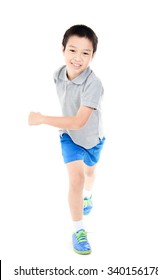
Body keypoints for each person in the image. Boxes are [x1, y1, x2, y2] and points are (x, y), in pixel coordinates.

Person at [28, 24, 105, 255]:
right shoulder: (58, 75)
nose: (78, 58)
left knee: (90, 172)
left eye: (85, 53)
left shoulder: (94, 84)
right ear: (62, 49)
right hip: (69, 138)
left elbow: (79, 121)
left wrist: (42, 119)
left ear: (93, 56)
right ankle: (78, 230)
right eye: (72, 50)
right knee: (76, 179)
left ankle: (89, 198)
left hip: (92, 138)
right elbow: (70, 120)